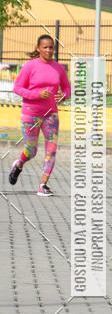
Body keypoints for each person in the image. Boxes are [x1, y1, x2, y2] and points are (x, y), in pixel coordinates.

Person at [9, 34, 71, 197]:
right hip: (31, 114)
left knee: (51, 149)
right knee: (31, 150)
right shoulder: (30, 66)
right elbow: (17, 88)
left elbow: (67, 88)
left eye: (51, 47)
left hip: (51, 114)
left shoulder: (59, 68)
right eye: (45, 47)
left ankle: (43, 185)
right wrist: (36, 95)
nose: (49, 50)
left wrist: (64, 95)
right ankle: (19, 164)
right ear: (38, 49)